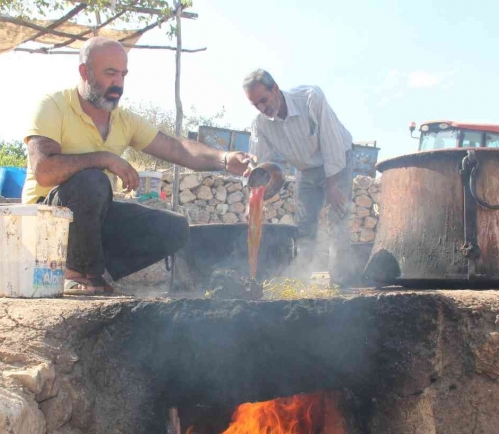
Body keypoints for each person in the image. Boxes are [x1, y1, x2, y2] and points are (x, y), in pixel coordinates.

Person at [23, 37, 252, 295]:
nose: (118, 83)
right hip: (44, 220)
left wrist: (224, 159)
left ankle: (96, 273)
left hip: (92, 220)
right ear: (84, 72)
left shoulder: (124, 120)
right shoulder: (53, 106)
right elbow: (44, 171)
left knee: (174, 228)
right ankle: (73, 274)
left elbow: (177, 148)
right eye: (110, 73)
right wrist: (104, 158)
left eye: (123, 74)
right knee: (92, 180)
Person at [243, 69, 355, 285]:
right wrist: (252, 203)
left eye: (264, 100)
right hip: (305, 169)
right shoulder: (261, 124)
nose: (262, 108)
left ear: (275, 88)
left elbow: (332, 143)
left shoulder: (311, 98)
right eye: (255, 105)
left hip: (339, 158)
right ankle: (303, 278)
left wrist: (332, 186)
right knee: (304, 225)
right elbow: (259, 165)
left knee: (337, 217)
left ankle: (342, 281)